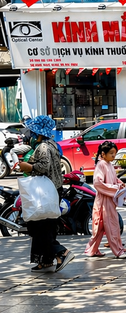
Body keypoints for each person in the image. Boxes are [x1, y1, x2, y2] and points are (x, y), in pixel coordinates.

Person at [18, 115, 74, 272]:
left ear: (38, 132)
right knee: (47, 226)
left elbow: (43, 167)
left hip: (45, 192)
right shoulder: (52, 144)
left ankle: (62, 252)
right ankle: (46, 259)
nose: (29, 135)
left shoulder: (43, 147)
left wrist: (27, 167)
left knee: (37, 227)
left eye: (32, 131)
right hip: (53, 190)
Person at [84, 141, 126, 259]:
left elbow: (113, 179)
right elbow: (98, 183)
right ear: (103, 154)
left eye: (115, 153)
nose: (114, 156)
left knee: (100, 226)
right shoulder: (102, 164)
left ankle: (91, 250)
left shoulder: (108, 164)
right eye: (111, 153)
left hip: (107, 199)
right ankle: (118, 250)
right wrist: (115, 188)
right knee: (112, 225)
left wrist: (119, 183)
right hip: (104, 200)